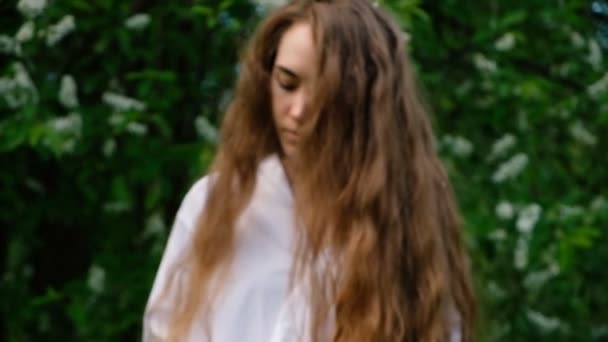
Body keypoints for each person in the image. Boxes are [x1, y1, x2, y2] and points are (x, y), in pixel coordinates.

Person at [143, 0, 476, 341]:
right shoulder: (216, 206)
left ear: (362, 104)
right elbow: (164, 331)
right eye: (287, 84)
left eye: (324, 95)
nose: (298, 111)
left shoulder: (403, 222)